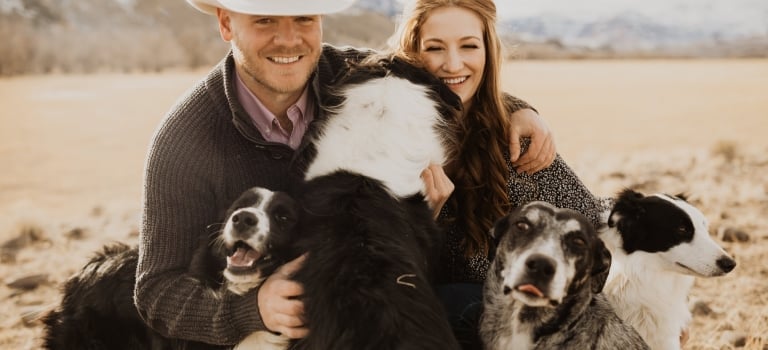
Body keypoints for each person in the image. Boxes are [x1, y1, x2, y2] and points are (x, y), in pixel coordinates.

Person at [134, 0, 556, 348]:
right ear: (226, 23)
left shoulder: (347, 70)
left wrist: (516, 109)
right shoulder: (184, 140)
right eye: (264, 20)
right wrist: (252, 310)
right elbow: (155, 289)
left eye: (304, 17)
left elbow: (439, 78)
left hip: (371, 305)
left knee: (471, 303)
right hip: (270, 336)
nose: (288, 39)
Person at [388, 0, 609, 347]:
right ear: (411, 53)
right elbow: (365, 266)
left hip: (507, 325)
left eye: (469, 46)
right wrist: (417, 217)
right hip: (402, 321)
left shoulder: (515, 142)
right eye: (434, 48)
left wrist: (647, 306)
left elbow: (592, 220)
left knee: (468, 302)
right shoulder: (380, 136)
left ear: (488, 52)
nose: (453, 64)